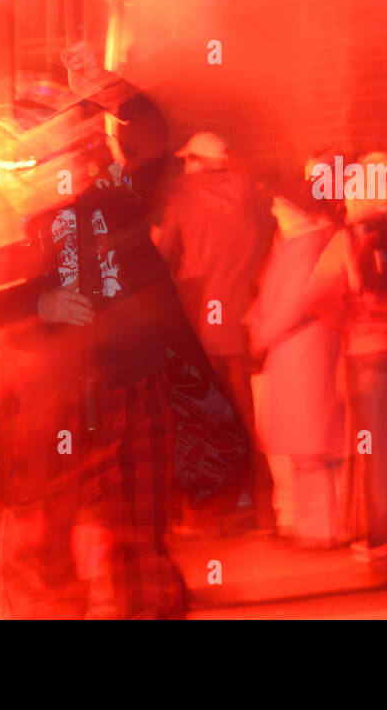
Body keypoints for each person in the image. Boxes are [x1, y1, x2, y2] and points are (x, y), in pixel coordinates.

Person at [0, 83, 248, 618]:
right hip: (70, 412)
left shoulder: (113, 207)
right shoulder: (38, 238)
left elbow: (151, 145)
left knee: (135, 550)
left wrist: (106, 85)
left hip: (131, 395)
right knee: (54, 556)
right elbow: (40, 299)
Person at [306, 152, 387, 579]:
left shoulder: (347, 241)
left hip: (367, 356)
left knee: (379, 457)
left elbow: (318, 297)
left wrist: (351, 321)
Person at [156, 131, 275, 530]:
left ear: (199, 162)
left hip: (199, 322)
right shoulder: (254, 196)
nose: (185, 166)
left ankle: (209, 514)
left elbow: (165, 255)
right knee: (248, 416)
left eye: (189, 159)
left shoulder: (183, 198)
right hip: (240, 320)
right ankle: (265, 510)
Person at [245, 176, 343, 549]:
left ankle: (320, 529)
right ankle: (313, 526)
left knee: (311, 450)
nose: (274, 212)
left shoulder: (306, 248)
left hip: (302, 356)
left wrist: (262, 334)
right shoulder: (296, 246)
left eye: (281, 206)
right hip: (294, 357)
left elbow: (295, 304)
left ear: (298, 212)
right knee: (305, 449)